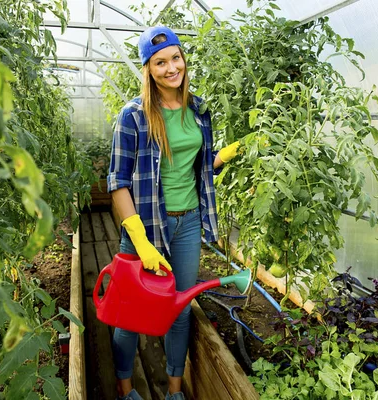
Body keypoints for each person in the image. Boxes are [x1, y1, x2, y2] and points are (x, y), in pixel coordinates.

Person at [107, 26, 240, 400]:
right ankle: (125, 389)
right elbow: (117, 182)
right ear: (148, 69)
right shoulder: (133, 116)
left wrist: (218, 159)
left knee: (180, 307)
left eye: (175, 58)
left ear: (184, 59)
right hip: (145, 226)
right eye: (160, 62)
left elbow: (191, 165)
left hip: (187, 222)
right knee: (130, 312)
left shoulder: (199, 110)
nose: (171, 68)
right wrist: (141, 242)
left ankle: (175, 391)